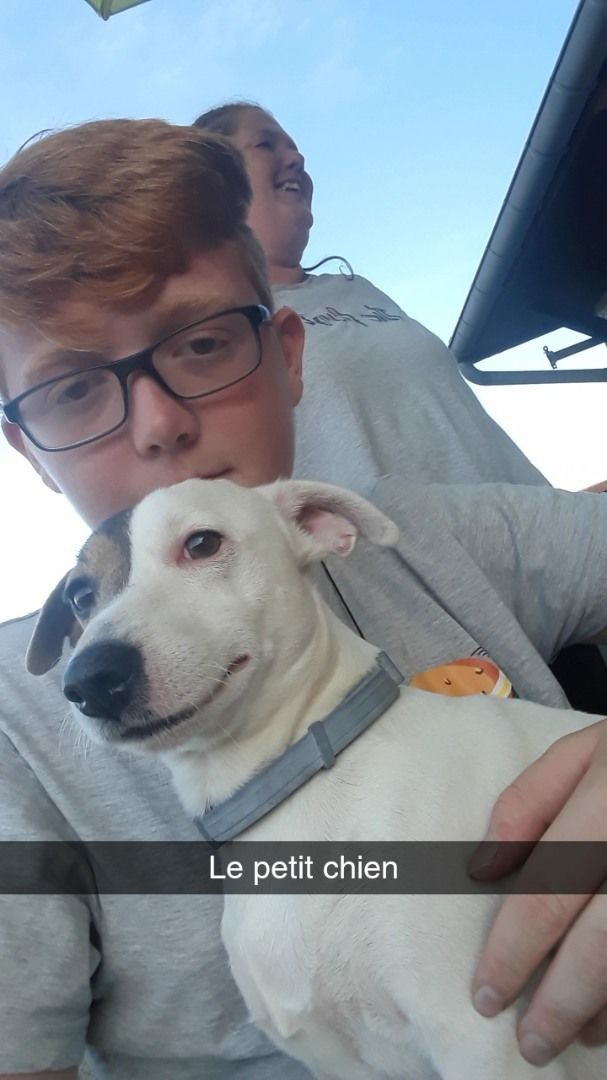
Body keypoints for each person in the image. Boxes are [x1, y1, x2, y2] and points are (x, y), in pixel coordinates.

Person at [1, 119, 607, 1079]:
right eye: (72, 391)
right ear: (27, 450)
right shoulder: (16, 727)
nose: (158, 424)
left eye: (202, 343)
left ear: (287, 356)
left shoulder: (438, 535)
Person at [193, 102, 547, 491]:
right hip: (397, 533)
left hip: (533, 516)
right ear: (214, 184)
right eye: (266, 144)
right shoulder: (214, 331)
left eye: (294, 148)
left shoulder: (357, 287)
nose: (297, 159)